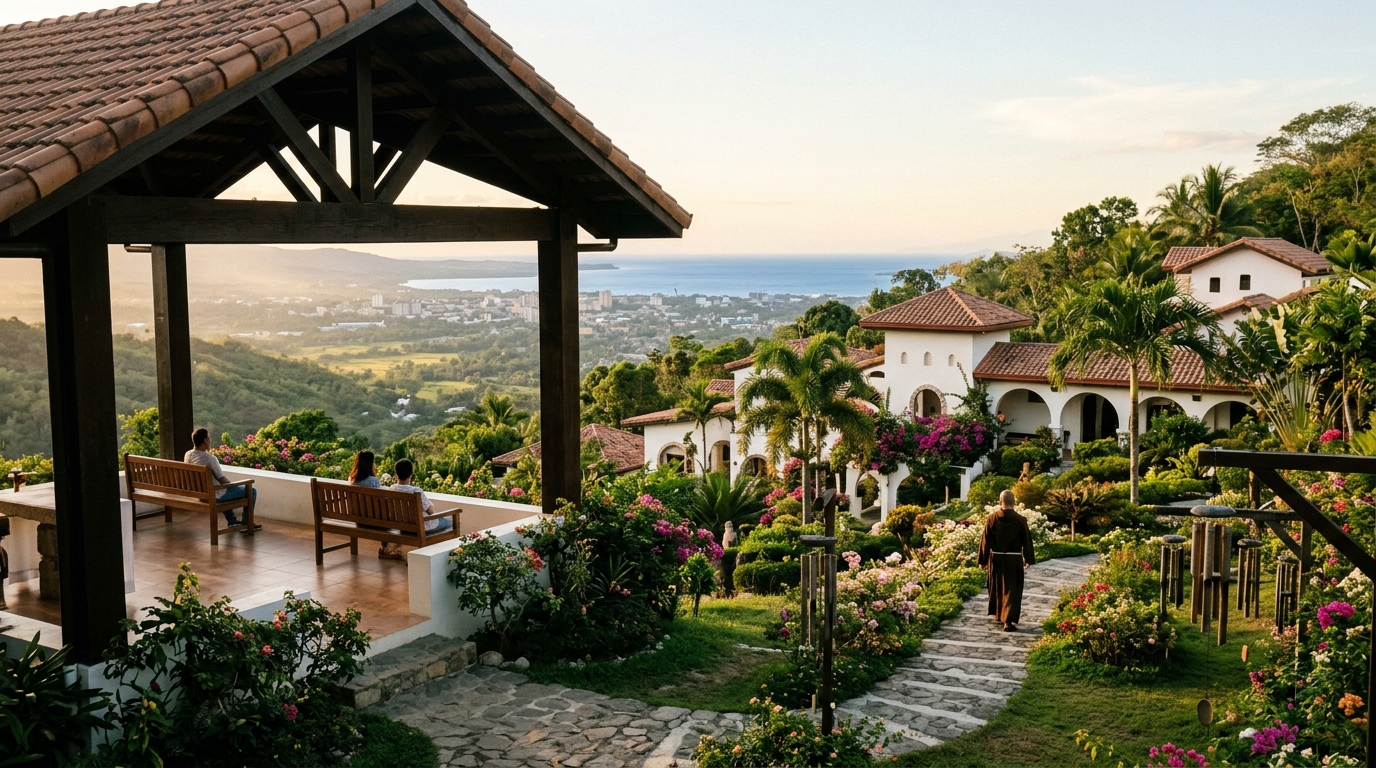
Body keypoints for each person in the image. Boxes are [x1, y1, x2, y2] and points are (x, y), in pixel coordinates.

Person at [977, 489, 1034, 631]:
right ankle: (1007, 620)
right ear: (1014, 502)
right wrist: (1028, 558)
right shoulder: (1021, 520)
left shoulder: (991, 519)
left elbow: (985, 541)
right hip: (1013, 560)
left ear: (1000, 501)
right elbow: (1026, 541)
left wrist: (983, 560)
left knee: (996, 586)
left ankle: (999, 614)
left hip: (996, 558)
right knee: (1011, 589)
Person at [184, 427, 261, 532]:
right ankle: (246, 523)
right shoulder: (210, 459)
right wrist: (233, 485)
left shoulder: (188, 455)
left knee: (221, 490)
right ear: (205, 441)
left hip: (200, 494)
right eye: (209, 438)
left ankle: (232, 521)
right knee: (251, 491)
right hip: (213, 495)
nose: (210, 441)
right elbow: (222, 480)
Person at [350, 451, 402, 560]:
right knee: (390, 517)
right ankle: (387, 549)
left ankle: (388, 549)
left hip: (359, 520)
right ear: (370, 464)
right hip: (375, 521)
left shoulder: (352, 480)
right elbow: (379, 501)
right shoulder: (373, 481)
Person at [390, 458, 453, 535]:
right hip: (422, 527)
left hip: (403, 527)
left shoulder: (391, 489)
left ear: (396, 474)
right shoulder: (416, 491)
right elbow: (430, 511)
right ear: (411, 474)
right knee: (451, 521)